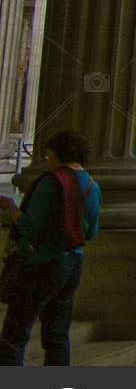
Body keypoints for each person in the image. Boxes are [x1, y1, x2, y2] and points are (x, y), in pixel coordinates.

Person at [0, 131, 100, 366]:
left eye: (48, 155)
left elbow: (30, 226)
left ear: (55, 154)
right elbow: (91, 232)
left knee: (15, 334)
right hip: (73, 263)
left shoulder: (50, 182)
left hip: (41, 263)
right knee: (56, 335)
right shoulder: (92, 186)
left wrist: (12, 210)